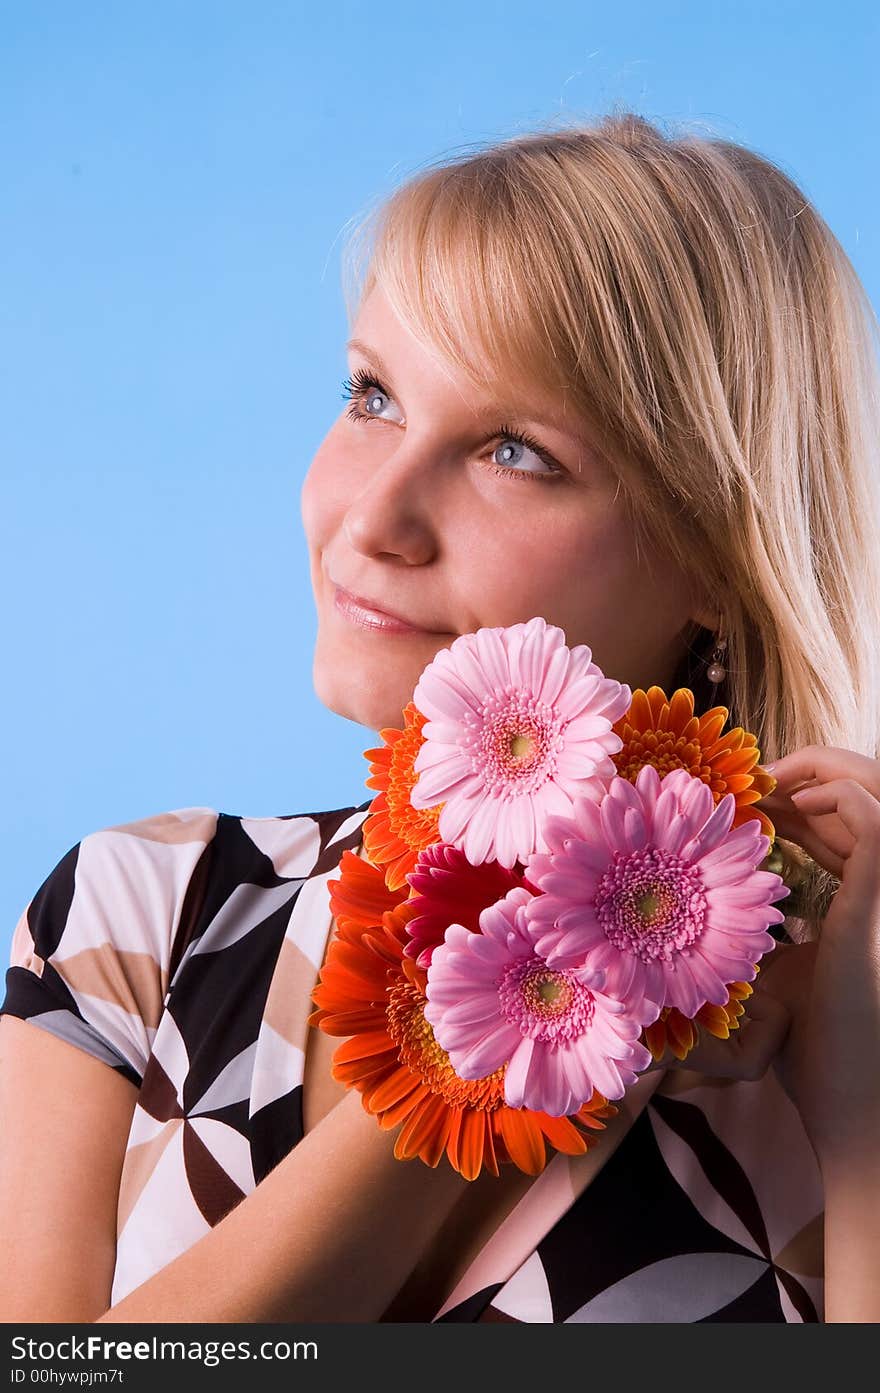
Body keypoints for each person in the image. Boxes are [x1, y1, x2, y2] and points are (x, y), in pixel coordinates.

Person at [2, 111, 879, 1324]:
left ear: (718, 565)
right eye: (371, 395)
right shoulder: (136, 915)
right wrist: (505, 1009)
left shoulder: (839, 1026)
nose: (372, 519)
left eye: (514, 450)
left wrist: (863, 1131)